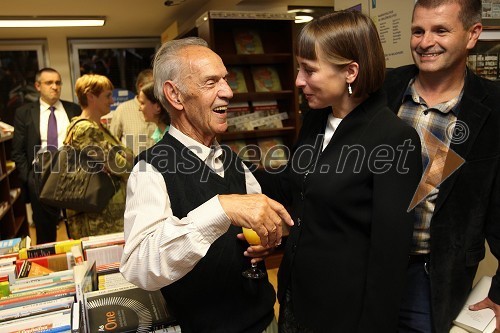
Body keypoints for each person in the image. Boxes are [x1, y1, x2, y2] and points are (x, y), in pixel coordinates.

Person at [257, 11, 422, 332]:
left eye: (309, 70)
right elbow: (292, 186)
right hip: (296, 298)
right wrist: (222, 166)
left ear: (350, 71)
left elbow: (388, 256)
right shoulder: (317, 120)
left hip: (344, 314)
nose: (298, 81)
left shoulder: (393, 138)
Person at [120, 37, 293, 333]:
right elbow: (139, 264)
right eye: (211, 82)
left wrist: (268, 242)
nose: (228, 91)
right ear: (175, 95)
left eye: (225, 80)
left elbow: (264, 222)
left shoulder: (232, 159)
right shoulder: (150, 168)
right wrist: (220, 208)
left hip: (265, 321)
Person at [382, 0, 500, 332]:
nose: (424, 42)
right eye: (418, 31)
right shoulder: (382, 90)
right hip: (367, 265)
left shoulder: (493, 108)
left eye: (441, 30)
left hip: (432, 276)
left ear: (473, 34)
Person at [11, 67, 81, 244]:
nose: (54, 87)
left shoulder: (73, 109)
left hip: (71, 175)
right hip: (40, 178)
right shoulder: (24, 113)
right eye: (49, 83)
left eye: (58, 83)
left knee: (76, 228)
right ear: (38, 86)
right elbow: (18, 151)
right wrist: (29, 178)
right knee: (45, 232)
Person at [66, 74, 133, 239]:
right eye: (107, 96)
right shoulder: (84, 129)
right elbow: (122, 166)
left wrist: (124, 158)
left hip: (107, 212)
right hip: (97, 218)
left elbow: (127, 157)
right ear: (90, 96)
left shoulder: (98, 127)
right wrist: (123, 158)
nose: (112, 101)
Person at [110, 68, 156, 156]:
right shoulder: (123, 110)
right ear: (141, 87)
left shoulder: (162, 109)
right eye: (153, 87)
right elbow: (112, 143)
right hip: (131, 168)